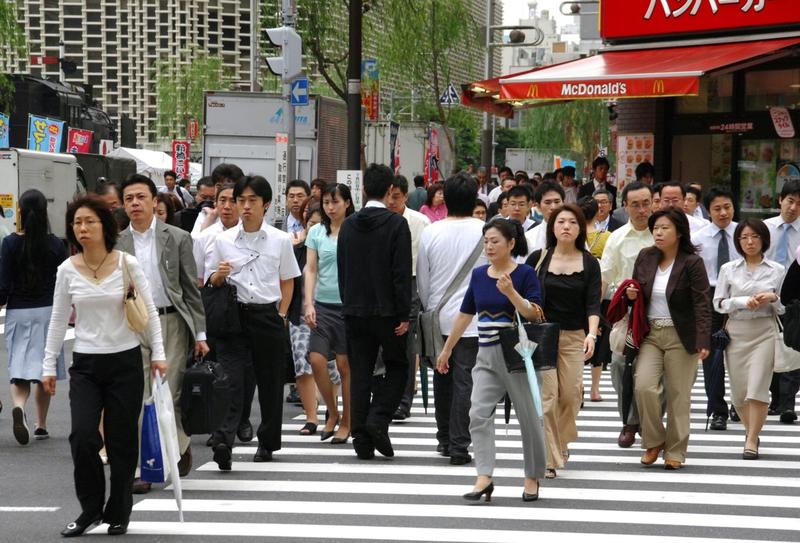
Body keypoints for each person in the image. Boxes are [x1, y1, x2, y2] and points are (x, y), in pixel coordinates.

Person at [43, 196, 165, 537]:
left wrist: (159, 354)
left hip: (125, 361)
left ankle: (119, 511)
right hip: (85, 364)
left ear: (105, 226)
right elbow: (57, 320)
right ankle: (89, 510)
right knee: (83, 436)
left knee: (122, 441)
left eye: (89, 222)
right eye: (77, 223)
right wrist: (47, 366)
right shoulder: (66, 270)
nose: (82, 228)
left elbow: (150, 310)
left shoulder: (127, 264)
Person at [436, 218, 545, 501]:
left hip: (518, 355)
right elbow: (465, 313)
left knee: (529, 418)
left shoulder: (525, 274)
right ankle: (484, 476)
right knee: (478, 413)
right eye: (486, 241)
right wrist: (447, 349)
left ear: (511, 244)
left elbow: (535, 313)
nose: (489, 246)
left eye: (495, 241)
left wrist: (510, 292)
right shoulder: (480, 275)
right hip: (485, 354)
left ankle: (532, 475)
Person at [118, 174, 209, 493]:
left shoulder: (178, 238)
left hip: (171, 322)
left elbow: (190, 290)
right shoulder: (117, 243)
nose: (135, 204)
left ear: (154, 201)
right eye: (128, 199)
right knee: (143, 397)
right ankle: (147, 468)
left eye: (140, 197)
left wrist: (200, 334)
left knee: (168, 394)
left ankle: (180, 442)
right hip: (135, 324)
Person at [208, 175, 301, 468]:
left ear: (266, 205)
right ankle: (224, 439)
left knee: (270, 382)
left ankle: (268, 441)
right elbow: (211, 279)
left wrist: (282, 314)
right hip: (233, 316)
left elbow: (288, 280)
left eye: (252, 201)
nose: (245, 207)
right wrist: (220, 275)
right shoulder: (222, 239)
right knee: (230, 380)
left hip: (267, 314)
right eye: (241, 200)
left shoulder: (280, 239)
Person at [337, 163, 412, 460]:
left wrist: (348, 303)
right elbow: (401, 274)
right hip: (388, 312)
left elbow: (343, 270)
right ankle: (378, 419)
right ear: (390, 191)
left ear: (364, 189)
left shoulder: (349, 224)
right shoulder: (396, 224)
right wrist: (404, 314)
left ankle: (360, 437)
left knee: (360, 372)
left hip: (354, 310)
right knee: (398, 366)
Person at [627, 208, 711, 470]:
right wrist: (631, 294)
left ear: (679, 232)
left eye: (665, 228)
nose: (658, 233)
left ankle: (676, 451)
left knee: (678, 395)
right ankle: (654, 440)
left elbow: (702, 302)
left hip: (681, 335)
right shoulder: (646, 256)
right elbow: (638, 290)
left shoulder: (692, 262)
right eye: (656, 228)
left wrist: (703, 339)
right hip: (651, 332)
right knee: (643, 386)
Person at [526, 205, 601, 479]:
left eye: (572, 222)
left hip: (574, 337)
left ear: (580, 228)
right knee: (548, 398)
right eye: (561, 222)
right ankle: (549, 456)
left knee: (570, 396)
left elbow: (593, 304)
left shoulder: (589, 263)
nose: (566, 226)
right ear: (552, 227)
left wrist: (591, 334)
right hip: (543, 336)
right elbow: (526, 297)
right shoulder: (538, 258)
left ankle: (561, 440)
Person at [419, 173, 487, 464]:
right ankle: (460, 444)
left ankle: (444, 438)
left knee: (442, 376)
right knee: (466, 381)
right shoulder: (486, 230)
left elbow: (423, 279)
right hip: (474, 320)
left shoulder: (431, 232)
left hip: (439, 318)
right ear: (475, 199)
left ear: (445, 198)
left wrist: (430, 307)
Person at [0, 190, 67, 445]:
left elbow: (3, 284)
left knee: (19, 368)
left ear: (19, 211)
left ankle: (19, 405)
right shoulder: (55, 244)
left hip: (18, 311)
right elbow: (63, 282)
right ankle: (41, 424)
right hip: (48, 311)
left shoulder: (10, 243)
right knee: (44, 367)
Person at [715, 219, 783, 459]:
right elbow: (719, 304)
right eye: (744, 237)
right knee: (739, 392)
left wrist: (772, 299)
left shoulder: (777, 269)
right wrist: (742, 301)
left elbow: (785, 307)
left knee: (757, 389)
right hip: (736, 333)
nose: (750, 242)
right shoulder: (728, 269)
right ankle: (749, 430)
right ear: (738, 241)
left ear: (764, 239)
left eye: (754, 237)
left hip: (764, 331)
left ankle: (752, 439)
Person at [600, 182, 655, 448]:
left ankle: (646, 421)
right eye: (636, 204)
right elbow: (605, 279)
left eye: (646, 203)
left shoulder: (664, 233)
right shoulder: (617, 238)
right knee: (621, 366)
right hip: (627, 314)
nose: (642, 209)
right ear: (625, 207)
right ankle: (630, 420)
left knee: (657, 374)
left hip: (660, 313)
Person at [305, 183, 355, 443]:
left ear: (347, 203)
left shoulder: (355, 230)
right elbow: (310, 269)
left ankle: (347, 421)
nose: (330, 207)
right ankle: (332, 413)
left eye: (335, 202)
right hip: (322, 305)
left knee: (346, 367)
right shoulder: (316, 231)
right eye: (326, 202)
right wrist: (308, 303)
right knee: (316, 360)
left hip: (348, 307)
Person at [691, 188, 738, 431]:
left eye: (727, 207)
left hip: (739, 297)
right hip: (708, 297)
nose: (723, 213)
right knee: (712, 358)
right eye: (717, 208)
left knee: (741, 355)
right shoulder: (698, 239)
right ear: (708, 211)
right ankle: (717, 410)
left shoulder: (743, 234)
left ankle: (739, 404)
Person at [387, 176, 432, 421]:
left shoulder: (420, 222)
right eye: (389, 196)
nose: (392, 201)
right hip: (383, 286)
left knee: (407, 345)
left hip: (412, 284)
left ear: (406, 196)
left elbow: (426, 263)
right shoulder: (379, 219)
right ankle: (387, 396)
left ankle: (404, 401)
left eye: (397, 197)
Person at [287, 200, 327, 437]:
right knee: (302, 365)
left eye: (319, 224)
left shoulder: (334, 246)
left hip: (329, 312)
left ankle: (331, 410)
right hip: (300, 314)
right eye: (310, 223)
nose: (314, 229)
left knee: (329, 366)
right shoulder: (296, 247)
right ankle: (311, 417)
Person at [764, 179, 800, 423]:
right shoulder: (763, 228)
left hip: (794, 298)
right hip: (765, 296)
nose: (794, 207)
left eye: (799, 203)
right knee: (770, 348)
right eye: (790, 201)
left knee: (791, 347)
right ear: (780, 200)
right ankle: (776, 398)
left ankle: (787, 404)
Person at [578, 196, 610, 401]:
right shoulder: (607, 237)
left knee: (578, 340)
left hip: (578, 295)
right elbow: (607, 272)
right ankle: (595, 389)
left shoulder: (575, 237)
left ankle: (578, 384)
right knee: (598, 341)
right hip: (601, 295)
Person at [525, 181, 565, 256]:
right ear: (538, 206)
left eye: (557, 202)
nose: (553, 207)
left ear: (563, 203)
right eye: (547, 202)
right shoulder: (529, 238)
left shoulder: (574, 234)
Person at [284, 179, 311, 244]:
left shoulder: (315, 225)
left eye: (300, 196)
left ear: (309, 199)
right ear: (286, 200)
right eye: (291, 196)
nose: (295, 200)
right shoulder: (276, 225)